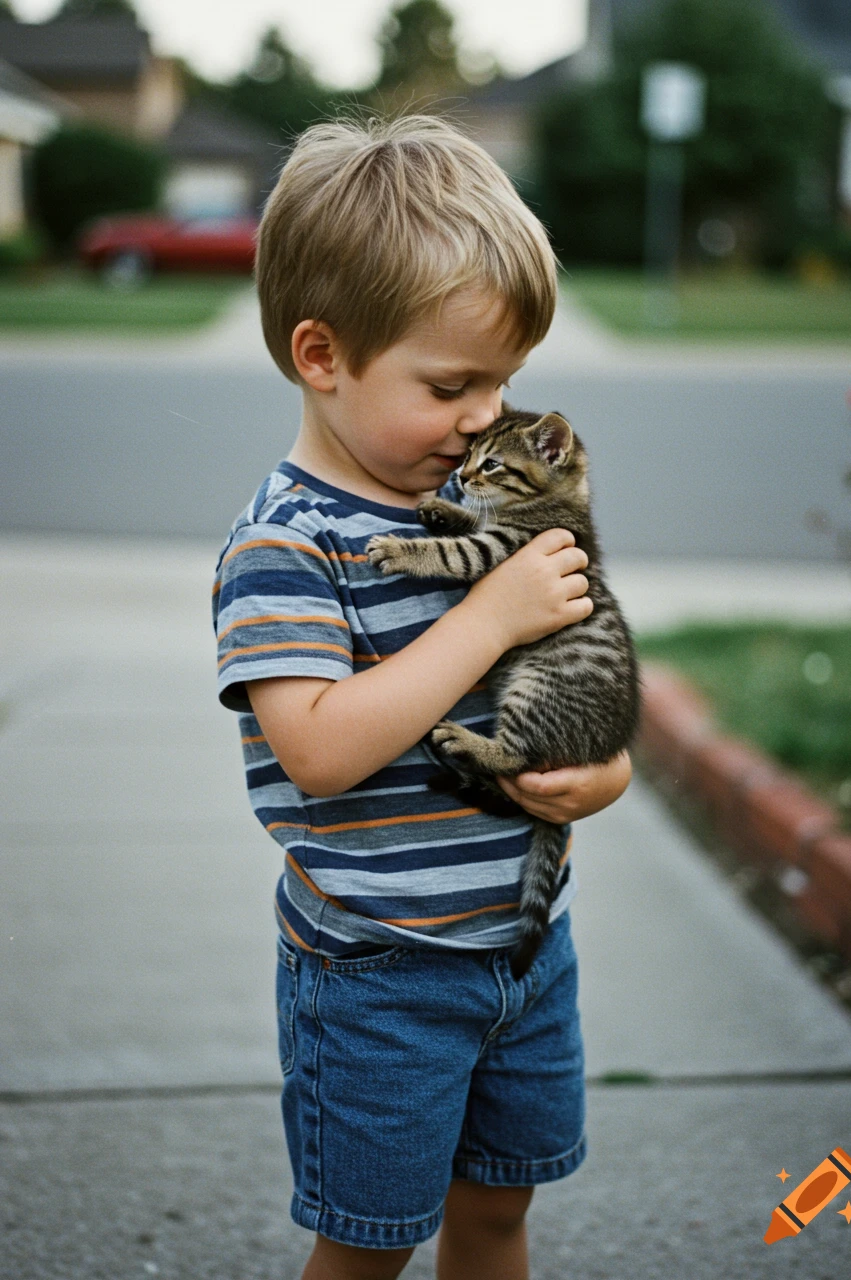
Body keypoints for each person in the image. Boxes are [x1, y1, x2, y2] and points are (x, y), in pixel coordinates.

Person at [213, 112, 632, 1280]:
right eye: (451, 382)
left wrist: (603, 773)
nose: (486, 413)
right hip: (380, 975)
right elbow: (320, 750)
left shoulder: (487, 500)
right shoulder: (286, 545)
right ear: (320, 354)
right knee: (367, 1246)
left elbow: (577, 685)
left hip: (525, 947)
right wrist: (484, 615)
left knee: (497, 1214)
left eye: (502, 379)